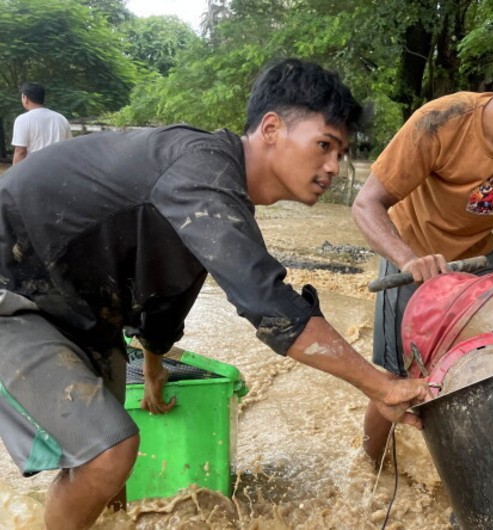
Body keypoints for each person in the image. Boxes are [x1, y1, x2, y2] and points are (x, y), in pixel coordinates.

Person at [0, 58, 429, 530]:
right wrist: (380, 384)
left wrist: (156, 367)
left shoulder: (217, 191)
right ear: (270, 128)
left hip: (79, 310)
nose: (333, 167)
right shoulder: (200, 167)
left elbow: (165, 297)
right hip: (15, 292)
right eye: (324, 145)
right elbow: (268, 304)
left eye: (342, 153)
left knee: (110, 483)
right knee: (107, 454)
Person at [352, 10, 493, 463]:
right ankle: (370, 467)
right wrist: (407, 259)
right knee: (396, 384)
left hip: (479, 269)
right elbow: (367, 204)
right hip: (413, 266)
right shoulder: (442, 120)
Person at [11, 82, 71, 164]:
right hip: (58, 168)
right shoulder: (61, 118)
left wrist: (14, 175)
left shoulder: (23, 120)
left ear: (25, 98)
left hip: (34, 169)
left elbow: (20, 151)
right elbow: (69, 147)